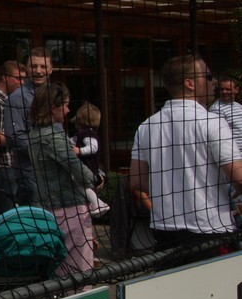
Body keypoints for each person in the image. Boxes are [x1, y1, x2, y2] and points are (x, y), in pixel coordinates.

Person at [130, 55, 242, 256]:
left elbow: (137, 181)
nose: (214, 82)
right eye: (208, 77)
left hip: (165, 230)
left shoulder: (146, 126)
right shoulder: (212, 122)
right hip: (210, 230)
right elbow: (239, 178)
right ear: (190, 83)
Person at [28, 82, 102, 279]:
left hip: (50, 207)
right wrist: (95, 179)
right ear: (54, 107)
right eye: (66, 105)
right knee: (78, 271)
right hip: (69, 208)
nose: (69, 110)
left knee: (59, 269)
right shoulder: (52, 136)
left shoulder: (34, 134)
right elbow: (74, 165)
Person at [5, 47, 53, 205]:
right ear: (27, 69)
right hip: (30, 174)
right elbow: (15, 137)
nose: (38, 71)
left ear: (50, 69)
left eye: (43, 66)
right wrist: (44, 152)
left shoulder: (54, 95)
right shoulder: (17, 98)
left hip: (53, 173)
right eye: (34, 66)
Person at [0, 60, 26, 223]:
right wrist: (22, 136)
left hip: (15, 167)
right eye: (18, 78)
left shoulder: (12, 102)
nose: (22, 83)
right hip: (3, 169)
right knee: (1, 219)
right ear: (4, 77)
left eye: (24, 79)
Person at [71, 102, 110, 219]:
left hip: (88, 168)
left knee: (81, 186)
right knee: (82, 187)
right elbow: (71, 142)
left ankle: (98, 204)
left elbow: (93, 147)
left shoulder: (88, 133)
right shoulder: (81, 134)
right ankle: (94, 205)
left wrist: (79, 150)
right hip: (84, 168)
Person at [210, 75, 242, 152]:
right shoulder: (216, 109)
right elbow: (217, 135)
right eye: (222, 89)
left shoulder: (238, 106)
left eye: (228, 89)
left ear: (236, 90)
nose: (224, 92)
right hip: (233, 153)